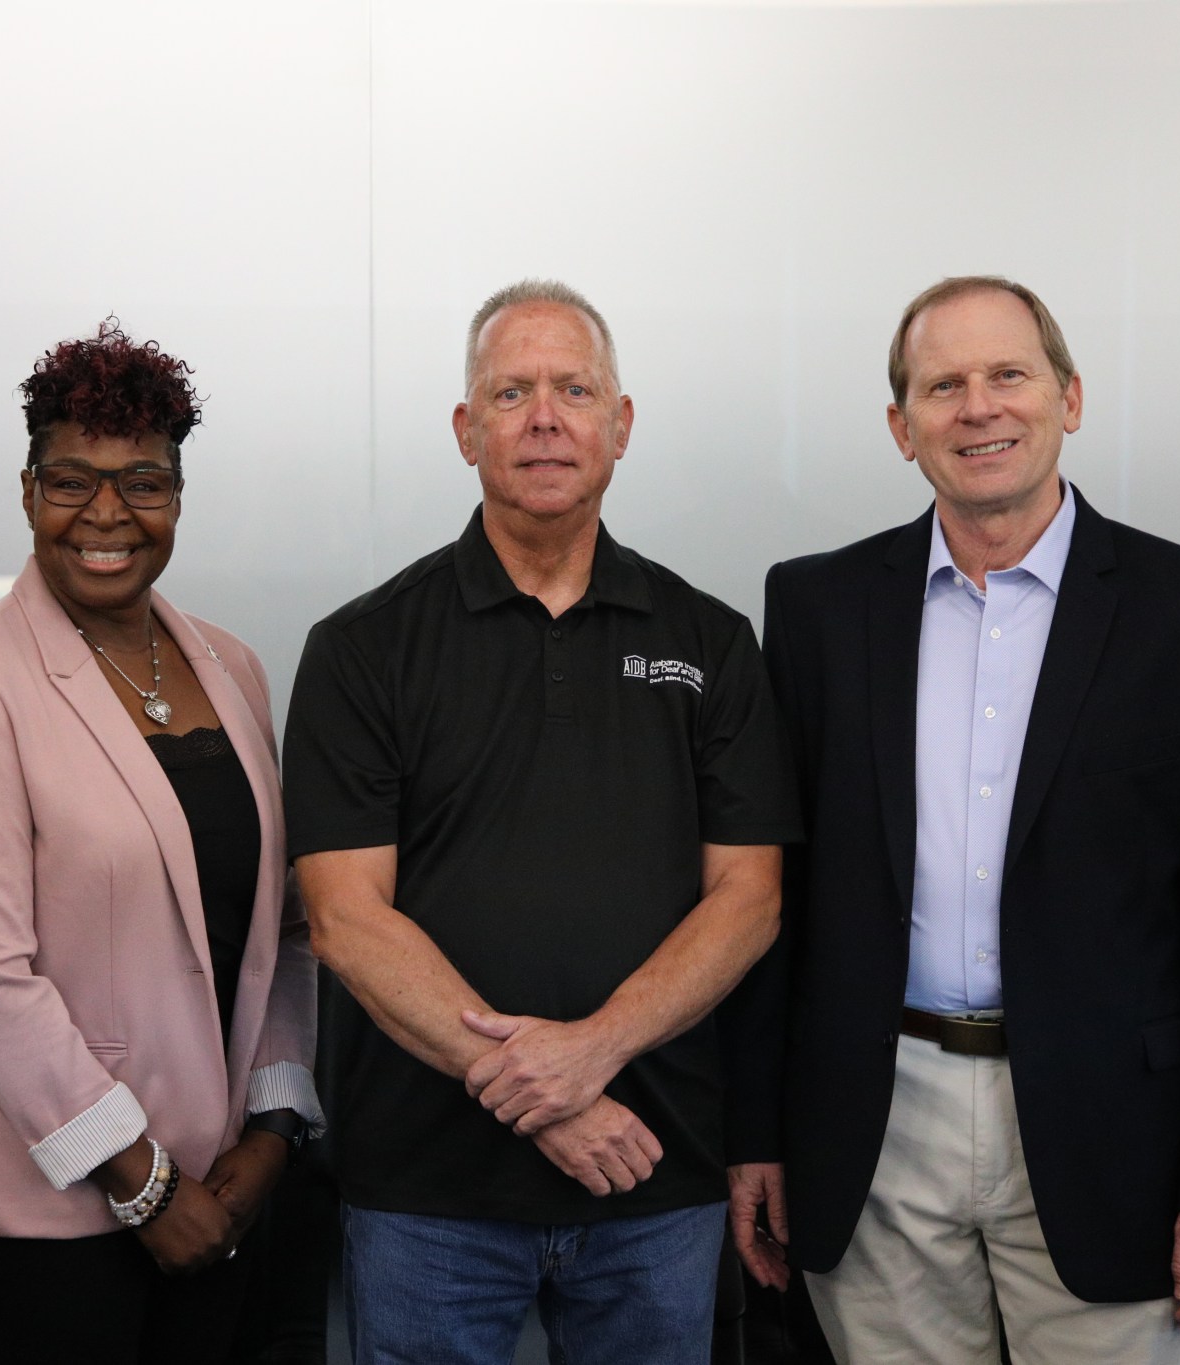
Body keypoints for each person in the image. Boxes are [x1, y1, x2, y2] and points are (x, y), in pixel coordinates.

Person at [725, 276, 1180, 1363]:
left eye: (1007, 375)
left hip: (1113, 1135)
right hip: (873, 1123)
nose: (976, 407)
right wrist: (754, 1132)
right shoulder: (815, 610)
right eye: (941, 385)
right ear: (901, 428)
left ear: (1068, 399)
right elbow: (775, 897)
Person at [283, 280, 801, 1364]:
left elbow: (748, 899)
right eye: (509, 392)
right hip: (428, 1194)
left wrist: (593, 1051)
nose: (544, 417)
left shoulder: (710, 642)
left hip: (653, 1172)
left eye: (573, 389)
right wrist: (551, 1098)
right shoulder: (362, 648)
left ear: (620, 424)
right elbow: (343, 921)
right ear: (467, 430)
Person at [0, 320, 322, 1364]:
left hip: (222, 1188)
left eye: (142, 483)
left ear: (178, 495)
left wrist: (272, 1129)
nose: (106, 516)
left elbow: (280, 935)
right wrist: (141, 1182)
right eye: (70, 481)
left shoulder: (234, 667)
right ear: (27, 488)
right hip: (42, 1214)